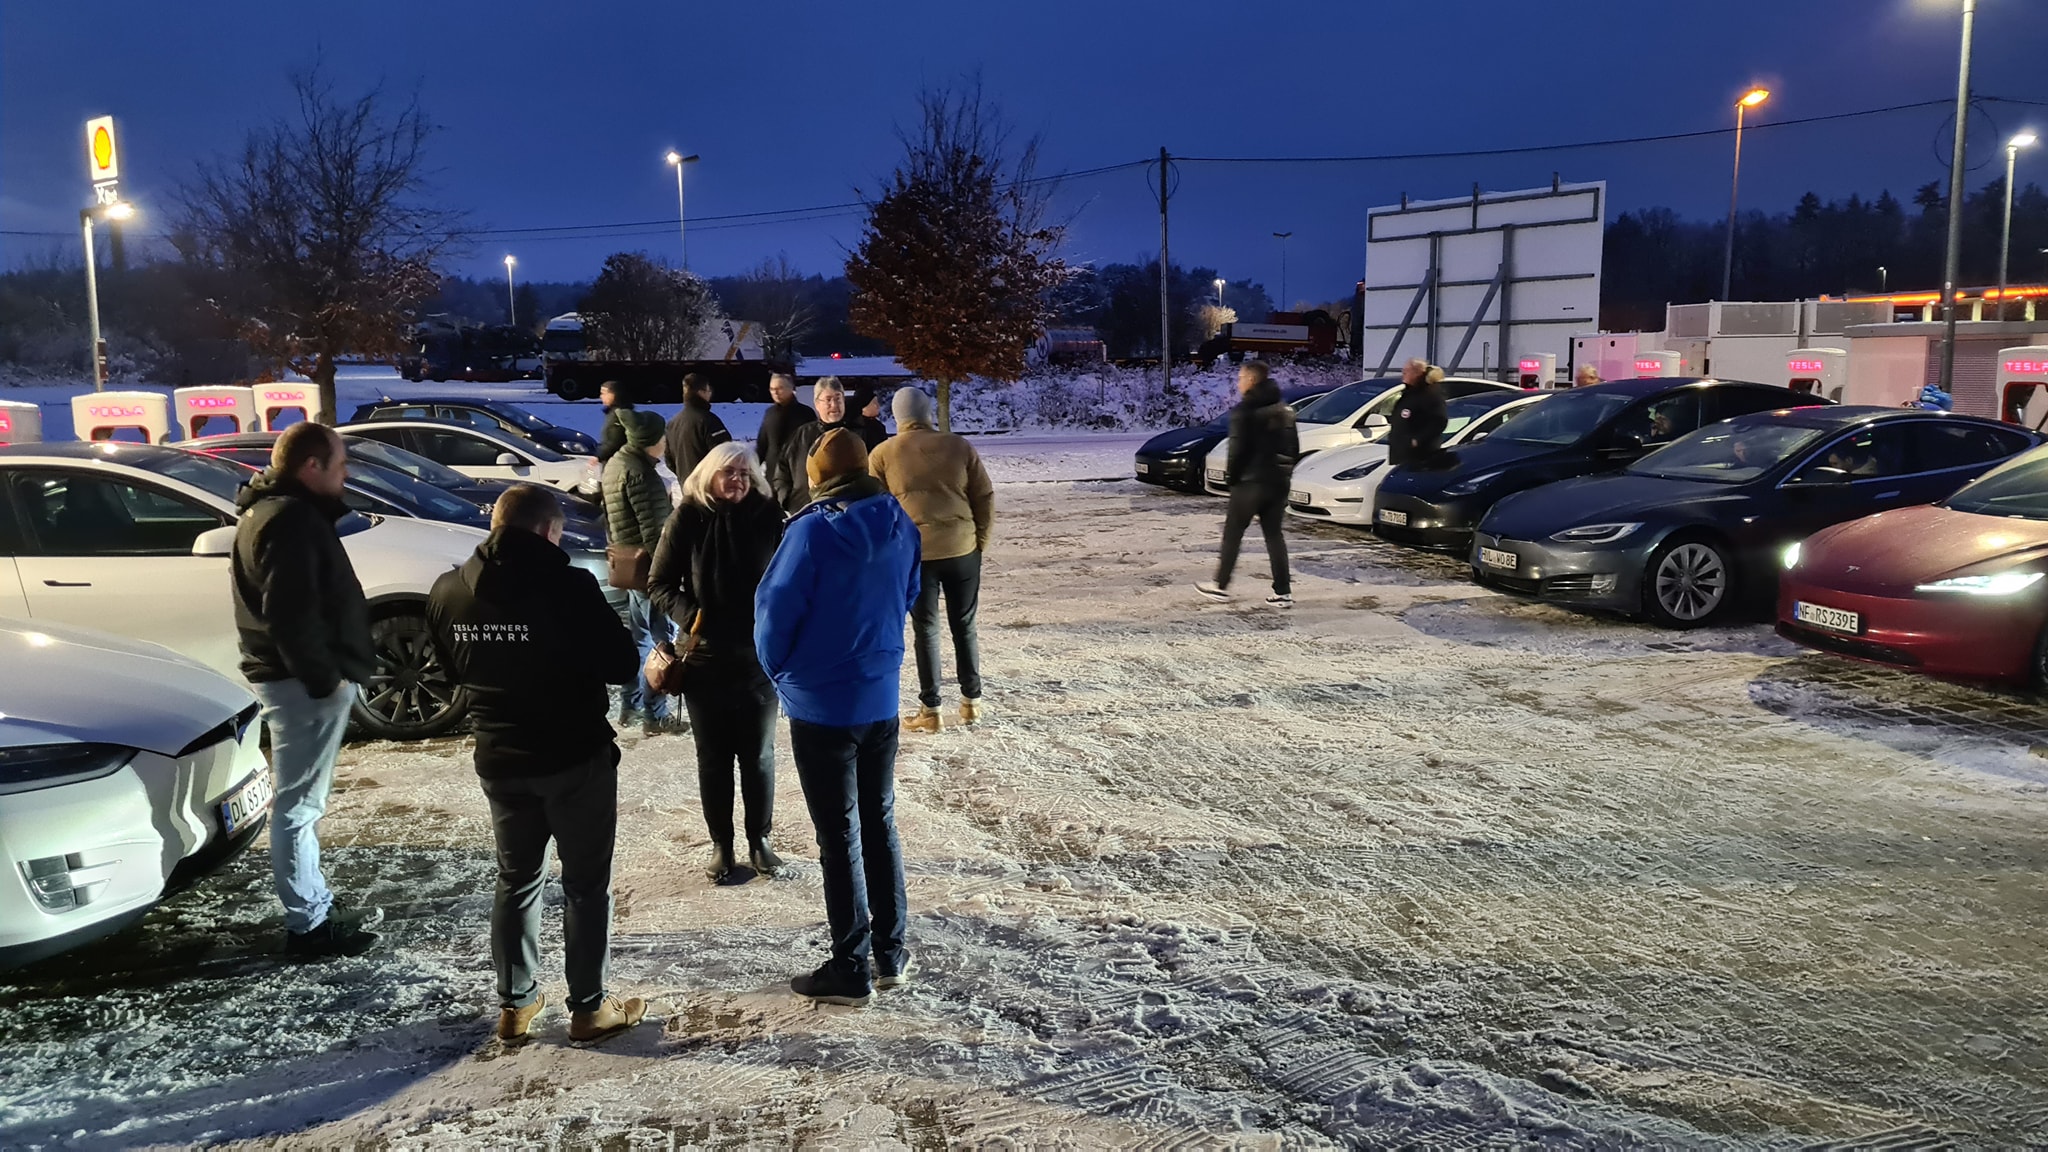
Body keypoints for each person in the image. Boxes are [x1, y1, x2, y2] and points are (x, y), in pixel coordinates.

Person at [427, 484, 648, 1045]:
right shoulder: (571, 587)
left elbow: (451, 671)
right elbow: (623, 665)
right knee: (584, 885)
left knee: (517, 879)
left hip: (499, 757)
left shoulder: (449, 589)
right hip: (574, 756)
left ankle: (515, 1005)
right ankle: (589, 1008)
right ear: (550, 531)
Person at [756, 429, 921, 1006]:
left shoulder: (810, 532)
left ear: (817, 477)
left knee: (839, 836)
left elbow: (774, 614)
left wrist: (782, 674)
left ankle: (849, 966)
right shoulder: (900, 521)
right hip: (880, 698)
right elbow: (909, 594)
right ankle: (891, 953)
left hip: (823, 706)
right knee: (880, 822)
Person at [230, 422, 383, 959]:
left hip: (295, 679)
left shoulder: (273, 512)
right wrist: (325, 678)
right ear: (310, 466)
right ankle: (308, 925)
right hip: (301, 684)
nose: (347, 475)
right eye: (340, 465)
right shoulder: (289, 520)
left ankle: (313, 906)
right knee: (298, 806)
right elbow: (289, 614)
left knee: (302, 803)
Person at [648, 443, 787, 882]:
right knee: (714, 758)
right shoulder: (689, 516)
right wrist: (693, 617)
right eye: (729, 473)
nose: (738, 481)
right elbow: (659, 581)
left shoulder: (769, 516)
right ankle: (721, 845)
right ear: (708, 476)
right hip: (705, 656)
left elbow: (790, 577)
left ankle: (760, 839)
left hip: (758, 656)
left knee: (759, 756)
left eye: (745, 473)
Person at [869, 386, 994, 733]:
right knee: (964, 624)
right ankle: (972, 702)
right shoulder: (959, 446)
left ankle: (931, 708)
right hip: (961, 547)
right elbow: (983, 495)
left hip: (914, 554)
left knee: (926, 628)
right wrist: (979, 540)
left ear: (897, 416)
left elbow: (876, 511)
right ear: (927, 413)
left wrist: (887, 554)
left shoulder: (882, 454)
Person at [603, 409, 681, 735]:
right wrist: (670, 573)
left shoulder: (616, 464)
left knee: (640, 637)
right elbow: (655, 533)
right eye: (662, 438)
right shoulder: (642, 476)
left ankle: (629, 707)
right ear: (650, 442)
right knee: (663, 641)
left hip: (628, 565)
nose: (665, 443)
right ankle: (654, 711)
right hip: (649, 570)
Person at [1195, 362, 1296, 609]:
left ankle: (1220, 585)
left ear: (1251, 380)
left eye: (1240, 377)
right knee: (1274, 536)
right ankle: (1283, 591)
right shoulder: (1285, 410)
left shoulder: (1244, 411)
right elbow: (1294, 450)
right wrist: (1285, 474)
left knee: (1233, 534)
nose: (1238, 382)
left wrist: (1232, 479)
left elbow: (1237, 450)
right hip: (1278, 484)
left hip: (1250, 483)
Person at [775, 376, 860, 511]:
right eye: (828, 400)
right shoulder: (803, 434)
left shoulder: (857, 435)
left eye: (838, 398)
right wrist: (786, 500)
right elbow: (781, 470)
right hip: (804, 511)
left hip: (846, 516)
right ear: (816, 404)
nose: (834, 405)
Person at [756, 373, 815, 506]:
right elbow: (762, 445)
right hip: (772, 477)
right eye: (772, 389)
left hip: (798, 480)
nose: (775, 392)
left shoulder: (805, 414)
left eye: (780, 388)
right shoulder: (770, 413)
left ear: (791, 388)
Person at [664, 372, 731, 484]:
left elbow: (669, 460)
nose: (710, 394)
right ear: (701, 393)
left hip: (687, 488)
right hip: (709, 489)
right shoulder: (708, 421)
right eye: (708, 391)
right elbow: (726, 455)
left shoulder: (672, 424)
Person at [1385, 358, 1448, 468]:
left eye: (1407, 371)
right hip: (1402, 455)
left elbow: (1439, 421)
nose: (1403, 373)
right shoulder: (1409, 393)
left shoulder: (1429, 394)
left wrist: (1417, 440)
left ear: (1417, 373)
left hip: (1420, 457)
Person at [595, 380, 634, 465]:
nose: (601, 396)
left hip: (616, 463)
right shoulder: (613, 413)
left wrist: (598, 456)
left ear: (614, 394)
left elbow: (615, 441)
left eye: (604, 393)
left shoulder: (619, 414)